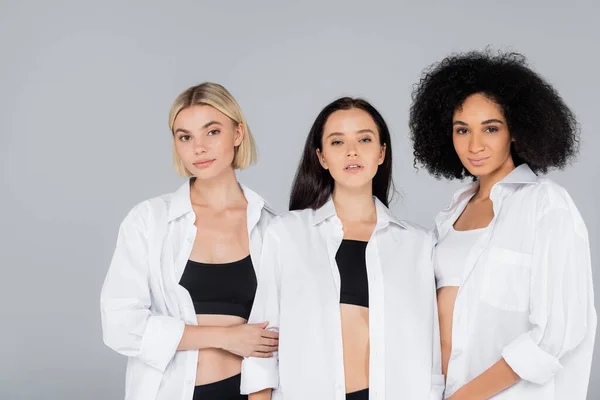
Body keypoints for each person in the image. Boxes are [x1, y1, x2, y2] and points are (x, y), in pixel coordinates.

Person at [409, 50, 596, 399]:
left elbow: (557, 332)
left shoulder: (545, 205)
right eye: (462, 130)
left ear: (516, 130)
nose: (474, 145)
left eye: (490, 128)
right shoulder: (449, 217)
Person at [241, 97, 444, 399]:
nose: (352, 151)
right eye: (337, 142)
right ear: (322, 157)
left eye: (364, 139)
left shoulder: (420, 244)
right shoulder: (286, 234)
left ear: (381, 153)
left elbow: (431, 354)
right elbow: (263, 344)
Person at [100, 82, 278, 400]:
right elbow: (120, 325)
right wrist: (225, 337)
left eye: (212, 132)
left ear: (238, 134)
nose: (198, 147)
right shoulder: (149, 221)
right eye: (185, 136)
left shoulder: (271, 229)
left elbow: (276, 337)